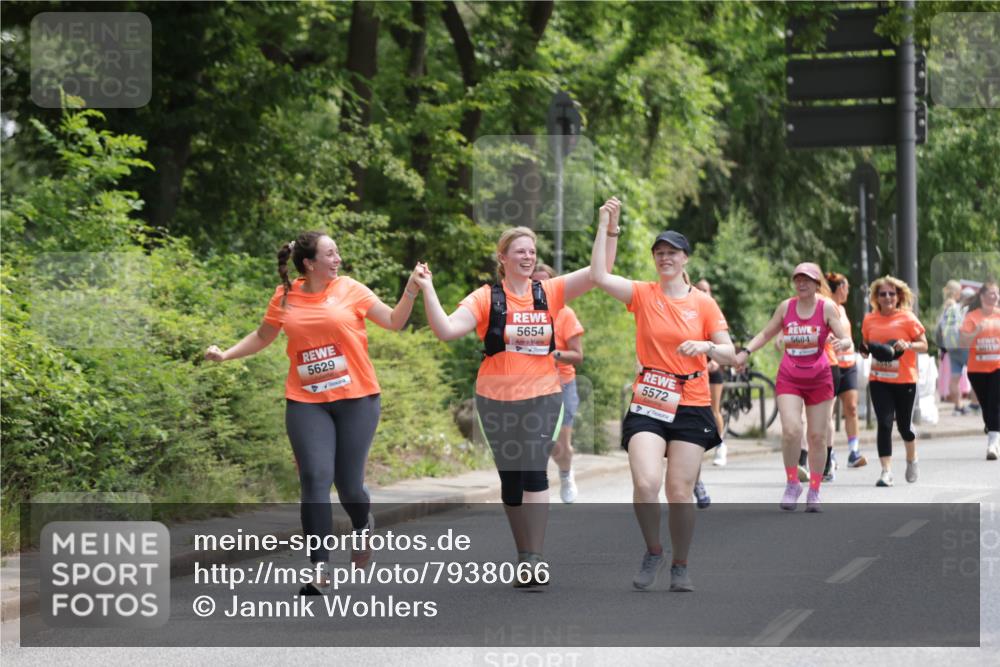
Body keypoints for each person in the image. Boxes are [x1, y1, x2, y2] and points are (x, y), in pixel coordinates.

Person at [414, 202, 621, 586]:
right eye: (520, 251)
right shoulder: (485, 298)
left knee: (533, 470)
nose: (528, 257)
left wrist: (608, 228)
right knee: (511, 482)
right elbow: (444, 329)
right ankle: (523, 553)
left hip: (543, 395)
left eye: (532, 251)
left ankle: (535, 559)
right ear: (503, 258)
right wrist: (427, 290)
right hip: (495, 400)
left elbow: (598, 273)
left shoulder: (550, 292)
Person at [204, 231, 424, 595]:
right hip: (306, 401)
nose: (338, 259)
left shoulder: (351, 289)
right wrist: (226, 354)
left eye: (337, 252)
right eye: (331, 253)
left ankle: (361, 524)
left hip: (357, 398)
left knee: (349, 485)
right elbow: (262, 335)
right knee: (315, 479)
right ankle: (319, 567)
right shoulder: (285, 296)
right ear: (309, 263)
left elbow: (393, 321)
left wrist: (412, 289)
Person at [591, 221, 736, 593]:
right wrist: (608, 230)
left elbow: (731, 353)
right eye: (659, 253)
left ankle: (680, 564)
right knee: (645, 482)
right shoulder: (642, 294)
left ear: (685, 258)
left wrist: (706, 348)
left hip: (691, 402)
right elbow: (599, 274)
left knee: (678, 491)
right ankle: (653, 550)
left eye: (672, 252)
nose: (665, 258)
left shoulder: (703, 303)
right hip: (650, 400)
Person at [733, 263, 852, 513]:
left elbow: (846, 337)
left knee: (817, 437)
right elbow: (766, 333)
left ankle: (815, 490)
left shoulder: (826, 307)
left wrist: (841, 343)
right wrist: (745, 352)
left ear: (817, 283)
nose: (801, 283)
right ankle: (792, 483)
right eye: (797, 279)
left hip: (819, 378)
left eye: (807, 279)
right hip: (790, 377)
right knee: (791, 430)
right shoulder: (787, 307)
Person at [860, 275, 928, 487]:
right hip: (879, 379)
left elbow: (924, 345)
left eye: (892, 293)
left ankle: (912, 458)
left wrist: (908, 344)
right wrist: (864, 350)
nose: (888, 297)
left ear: (898, 296)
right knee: (884, 423)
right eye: (883, 294)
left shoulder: (908, 318)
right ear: (876, 297)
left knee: (905, 427)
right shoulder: (869, 319)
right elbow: (865, 346)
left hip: (905, 380)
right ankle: (886, 471)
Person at [531, 263, 584, 503]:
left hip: (562, 383)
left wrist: (554, 354)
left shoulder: (565, 313)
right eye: (535, 283)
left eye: (545, 283)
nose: (539, 288)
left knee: (560, 446)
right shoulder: (522, 314)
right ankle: (536, 489)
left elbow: (578, 355)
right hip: (532, 385)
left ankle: (565, 473)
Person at [825, 272, 866, 471]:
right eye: (846, 287)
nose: (848, 291)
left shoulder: (842, 308)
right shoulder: (825, 307)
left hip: (848, 365)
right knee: (828, 413)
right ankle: (829, 453)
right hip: (831, 366)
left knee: (851, 408)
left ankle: (853, 451)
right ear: (839, 287)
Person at [959, 280, 1000, 460]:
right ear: (982, 296)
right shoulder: (972, 317)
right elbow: (963, 343)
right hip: (977, 369)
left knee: (994, 404)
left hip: (998, 367)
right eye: (991, 293)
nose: (995, 296)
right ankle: (990, 425)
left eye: (997, 293)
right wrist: (976, 331)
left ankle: (993, 445)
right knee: (986, 406)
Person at [695, 279, 728, 468]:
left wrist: (714, 361)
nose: (702, 292)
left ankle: (720, 445)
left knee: (713, 409)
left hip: (711, 369)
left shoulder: (712, 310)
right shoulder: (688, 309)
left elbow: (722, 342)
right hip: (692, 371)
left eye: (705, 290)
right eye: (698, 289)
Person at [937, 281, 972, 415]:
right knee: (978, 373)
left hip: (950, 347)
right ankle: (977, 404)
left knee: (954, 378)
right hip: (962, 345)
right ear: (957, 292)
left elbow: (940, 327)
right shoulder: (957, 307)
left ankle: (958, 406)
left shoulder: (945, 306)